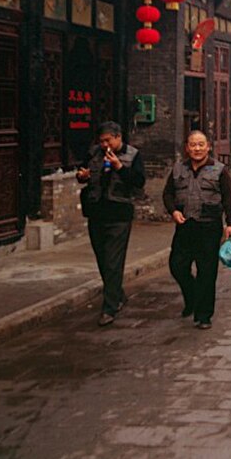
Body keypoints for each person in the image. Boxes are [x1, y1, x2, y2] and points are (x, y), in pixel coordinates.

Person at [162, 130, 231, 330]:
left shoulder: (219, 170)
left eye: (201, 144)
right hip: (185, 226)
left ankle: (203, 315)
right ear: (187, 147)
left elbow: (229, 199)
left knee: (206, 271)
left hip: (209, 226)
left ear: (208, 147)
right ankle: (193, 297)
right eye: (193, 145)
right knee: (177, 266)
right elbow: (168, 194)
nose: (197, 148)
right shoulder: (178, 168)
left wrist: (230, 223)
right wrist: (173, 211)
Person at [76, 121, 146, 327]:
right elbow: (82, 174)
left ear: (118, 137)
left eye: (108, 140)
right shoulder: (93, 153)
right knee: (102, 259)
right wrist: (82, 176)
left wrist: (119, 167)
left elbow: (139, 181)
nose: (105, 144)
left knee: (113, 261)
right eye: (102, 141)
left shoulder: (133, 155)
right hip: (96, 213)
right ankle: (118, 294)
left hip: (119, 214)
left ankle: (109, 307)